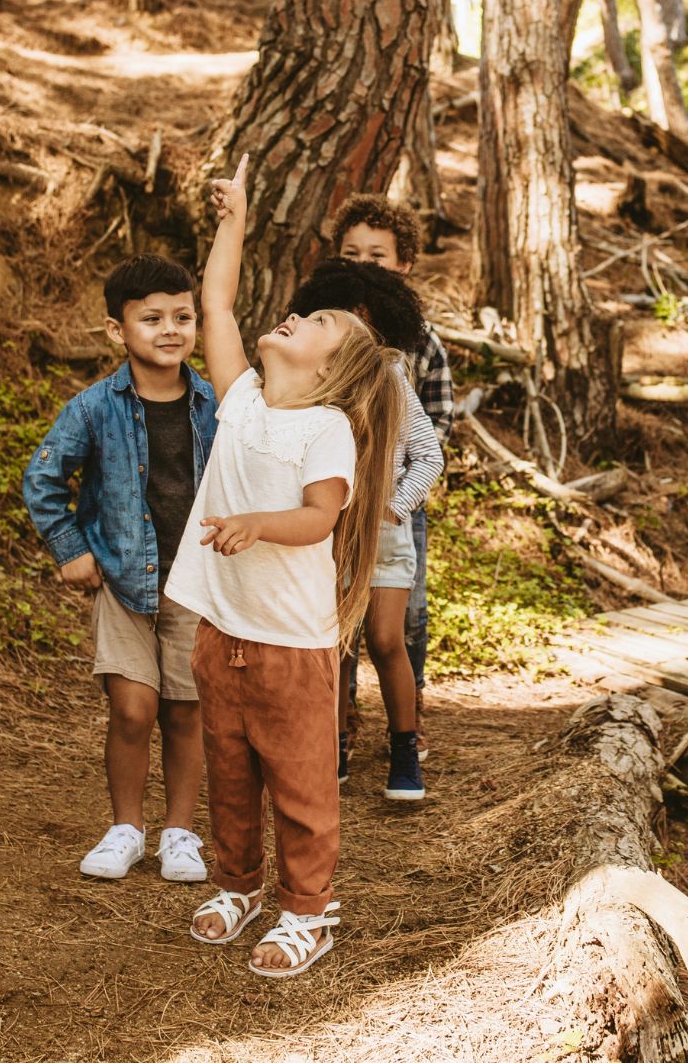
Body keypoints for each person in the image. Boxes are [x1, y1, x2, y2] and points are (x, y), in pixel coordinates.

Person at [166, 155, 404, 977]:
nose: (296, 319)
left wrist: (256, 525)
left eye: (316, 325)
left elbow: (318, 517)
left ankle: (310, 910)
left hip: (292, 647)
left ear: (329, 368)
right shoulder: (242, 402)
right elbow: (217, 303)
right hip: (220, 629)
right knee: (228, 774)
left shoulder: (326, 428)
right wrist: (233, 222)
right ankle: (238, 885)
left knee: (301, 787)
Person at [23, 255, 217, 883]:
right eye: (152, 318)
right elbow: (43, 478)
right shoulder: (94, 407)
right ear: (117, 330)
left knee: (186, 710)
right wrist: (70, 549)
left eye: (183, 317)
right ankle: (126, 828)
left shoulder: (213, 403)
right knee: (133, 709)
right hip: (125, 582)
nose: (170, 329)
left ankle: (181, 834)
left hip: (195, 581)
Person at [283, 259, 443, 800]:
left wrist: (395, 507)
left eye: (358, 316)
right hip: (327, 533)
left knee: (384, 638)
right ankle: (332, 749)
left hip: (383, 535)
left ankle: (404, 750)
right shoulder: (309, 380)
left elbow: (428, 454)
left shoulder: (391, 374)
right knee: (334, 644)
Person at [331, 194, 454, 765]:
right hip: (332, 501)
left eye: (377, 255)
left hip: (399, 500)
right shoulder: (324, 330)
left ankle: (411, 717)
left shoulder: (417, 340)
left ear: (403, 262)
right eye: (352, 252)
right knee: (335, 617)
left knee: (403, 618)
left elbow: (438, 423)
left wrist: (402, 496)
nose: (364, 262)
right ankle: (341, 718)